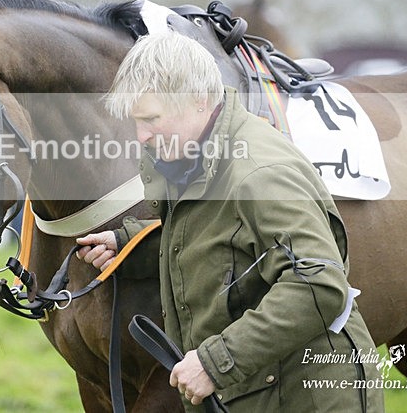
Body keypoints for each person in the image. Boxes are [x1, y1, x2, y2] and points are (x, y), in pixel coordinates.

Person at [76, 31, 383, 411]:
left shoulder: (258, 173)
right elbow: (225, 238)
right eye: (137, 122)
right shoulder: (196, 156)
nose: (142, 136)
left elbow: (319, 283)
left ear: (198, 100)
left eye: (152, 119)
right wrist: (131, 244)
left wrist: (215, 362)